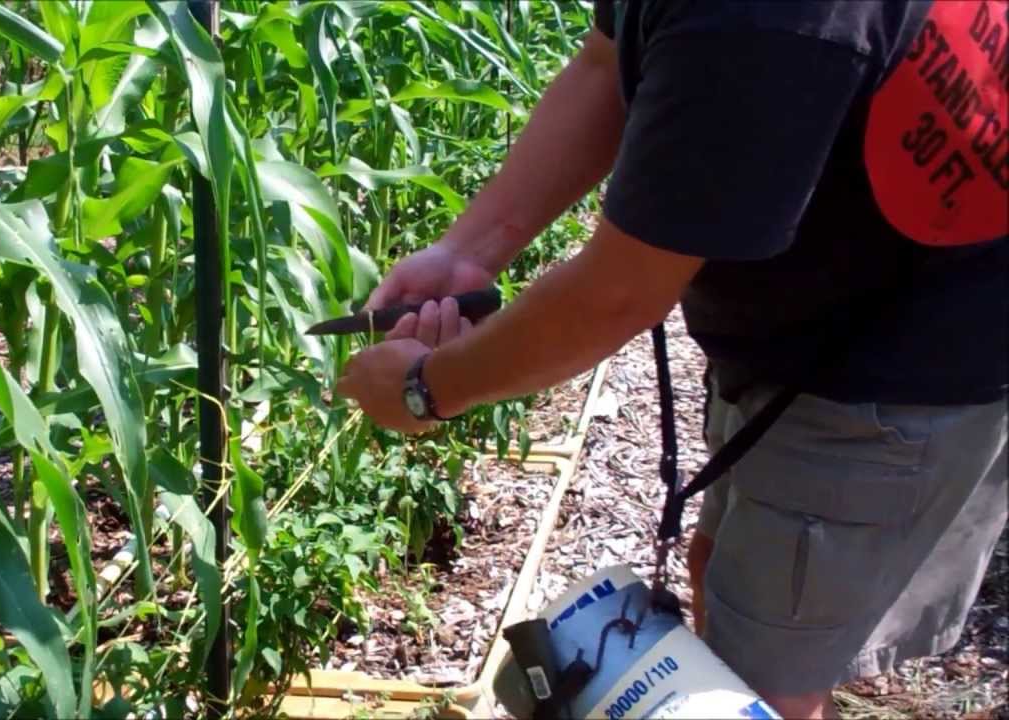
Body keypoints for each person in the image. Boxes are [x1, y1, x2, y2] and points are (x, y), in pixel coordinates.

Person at [335, 1, 1009, 717]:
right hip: (814, 315)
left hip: (892, 367)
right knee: (718, 577)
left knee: (760, 696)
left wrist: (423, 390)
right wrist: (464, 253)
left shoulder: (761, 20)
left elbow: (617, 295)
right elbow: (607, 59)